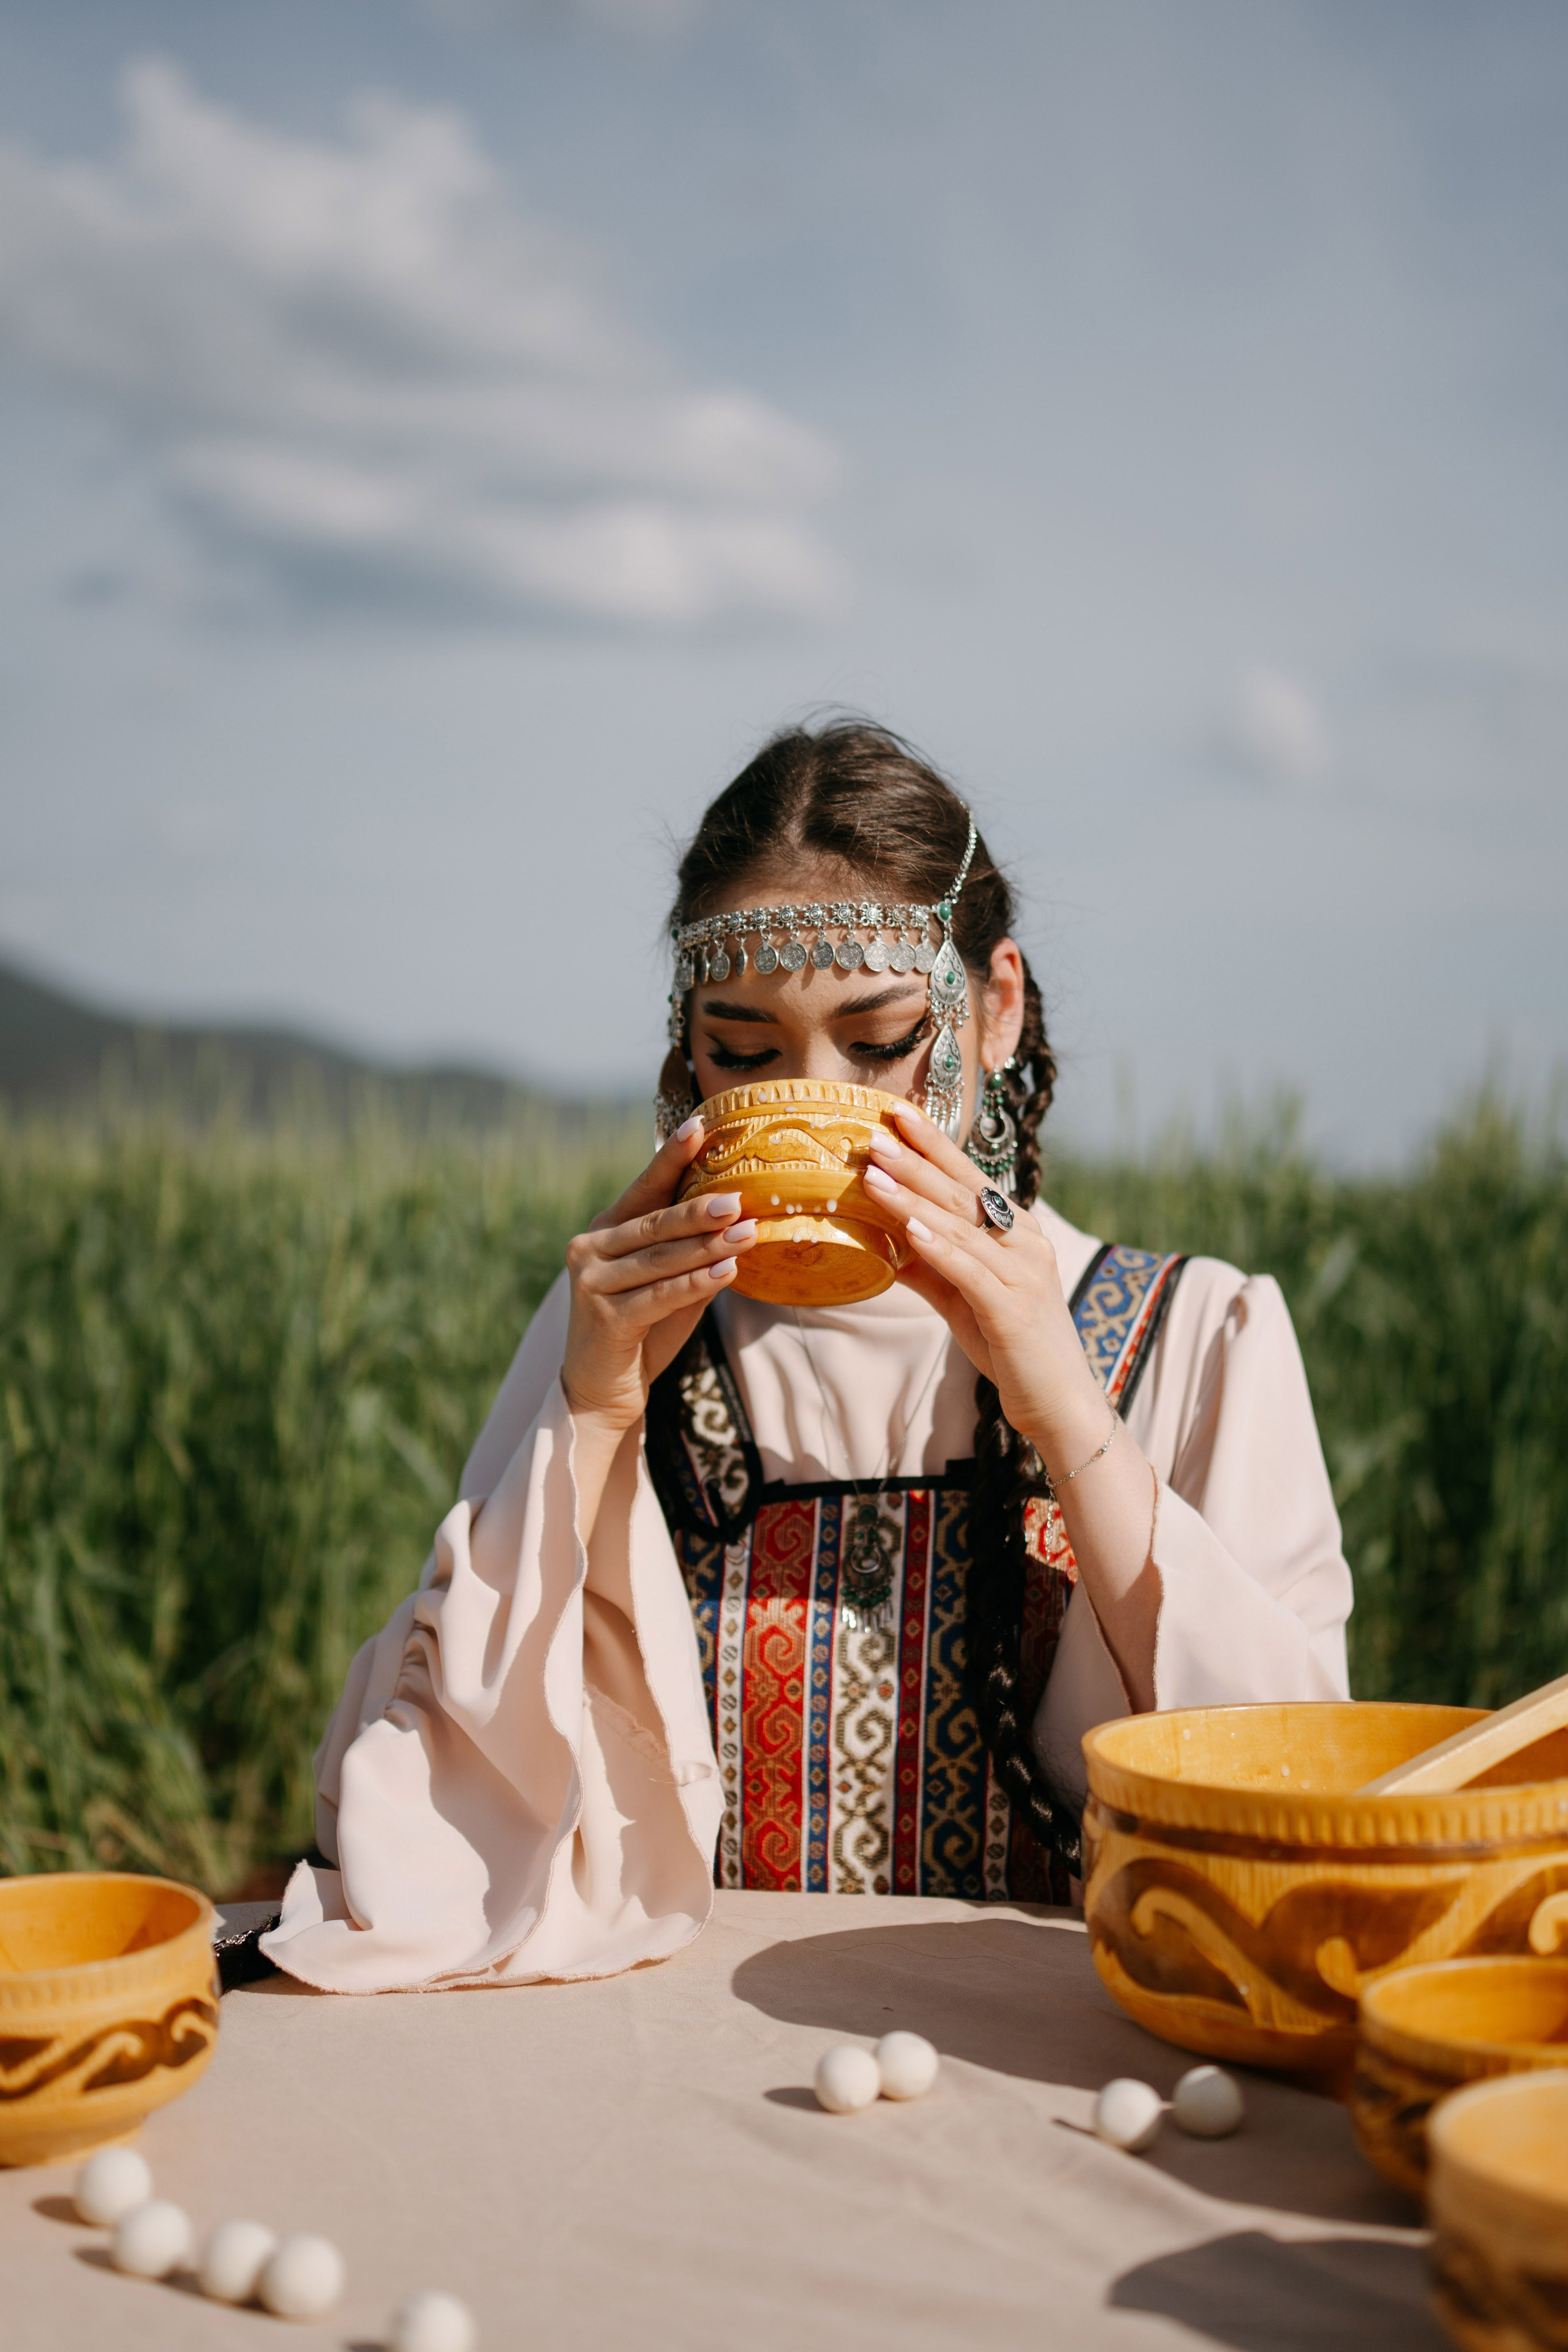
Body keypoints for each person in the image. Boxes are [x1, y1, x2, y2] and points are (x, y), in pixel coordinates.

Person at [263, 722, 1351, 1994]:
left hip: (1061, 2071)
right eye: (745, 1050)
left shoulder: (1195, 1335)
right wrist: (595, 1420)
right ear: (686, 1051)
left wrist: (1063, 1411)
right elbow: (418, 1831)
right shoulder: (619, 1337)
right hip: (689, 2081)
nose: (811, 1095)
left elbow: (1306, 1811)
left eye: (877, 1043)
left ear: (992, 1009)